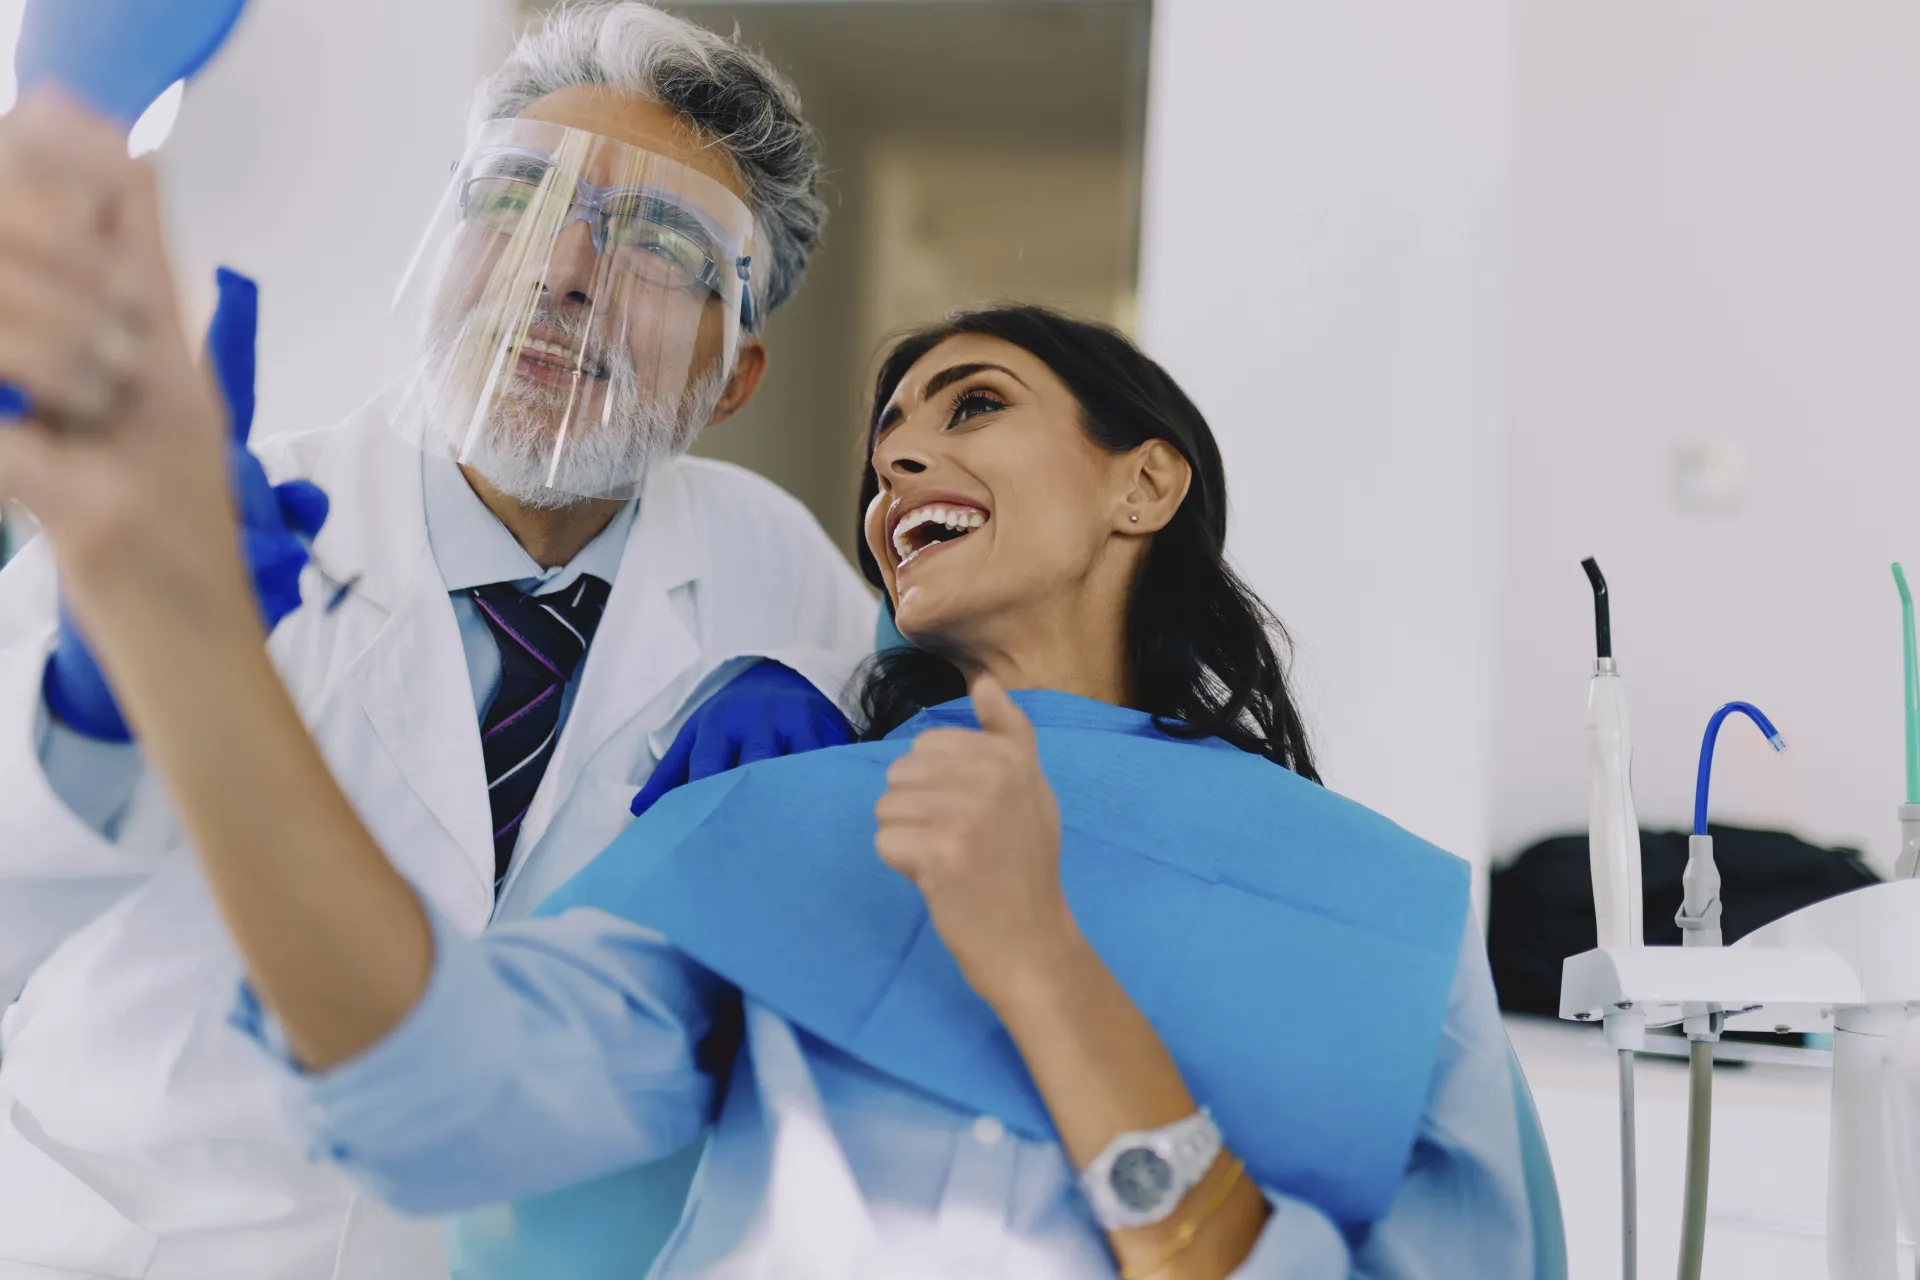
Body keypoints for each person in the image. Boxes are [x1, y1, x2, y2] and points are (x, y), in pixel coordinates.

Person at [0, 87, 1534, 1271]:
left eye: (976, 404)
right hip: (116, 1232)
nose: (564, 274)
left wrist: (1041, 960)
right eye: (517, 207)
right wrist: (163, 658)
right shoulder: (783, 835)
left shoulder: (1389, 910)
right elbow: (443, 1077)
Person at [0, 5, 876, 1277]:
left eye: (660, 242)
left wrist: (833, 747)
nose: (564, 268)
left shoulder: (775, 567)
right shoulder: (200, 512)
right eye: (519, 198)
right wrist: (102, 698)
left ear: (735, 373)